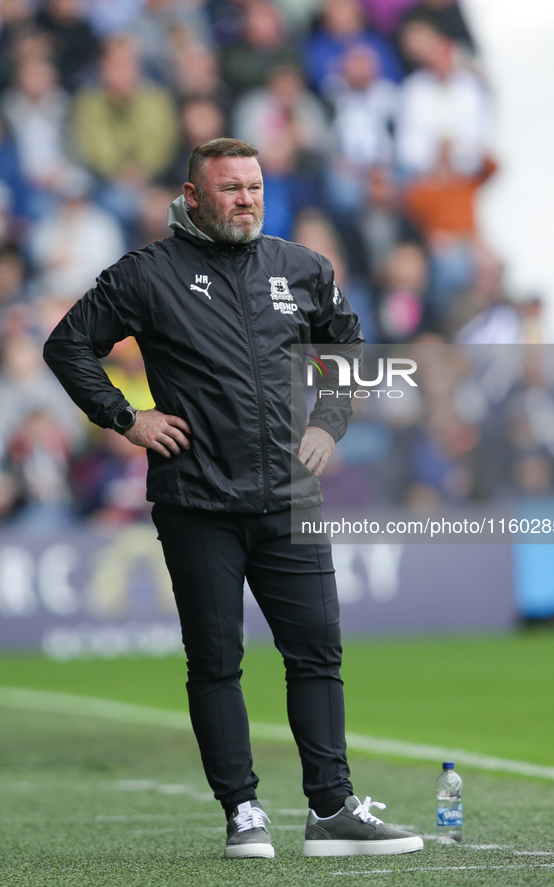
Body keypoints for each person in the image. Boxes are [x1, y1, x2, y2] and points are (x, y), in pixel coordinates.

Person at [43, 138, 424, 861]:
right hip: (197, 499)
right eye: (229, 189)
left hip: (289, 497)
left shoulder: (302, 267)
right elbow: (67, 345)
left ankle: (331, 810)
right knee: (215, 660)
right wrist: (127, 417)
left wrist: (328, 422)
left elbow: (347, 346)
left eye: (253, 186)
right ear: (193, 196)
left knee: (316, 653)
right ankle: (242, 811)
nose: (246, 199)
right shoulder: (145, 275)